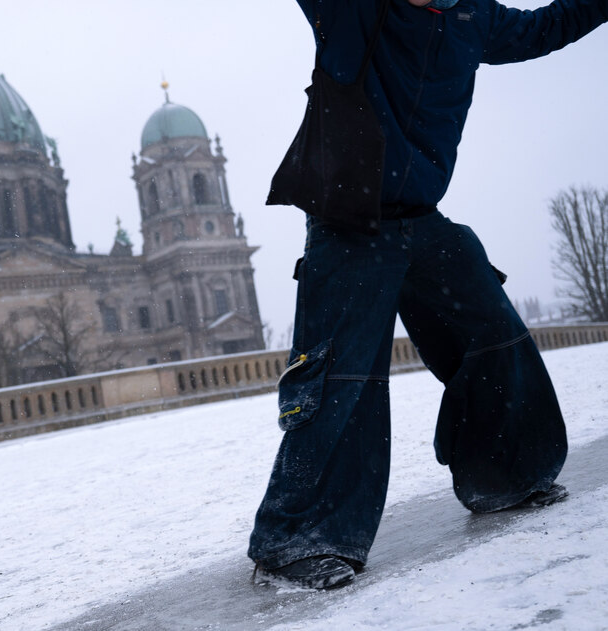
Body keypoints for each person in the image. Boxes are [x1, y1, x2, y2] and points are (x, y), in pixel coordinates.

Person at [249, 0, 606, 590]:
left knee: (492, 331)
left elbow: (547, 28)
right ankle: (298, 541)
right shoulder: (351, 10)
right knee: (344, 375)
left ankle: (505, 476)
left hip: (421, 217)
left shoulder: (474, 18)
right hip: (348, 222)